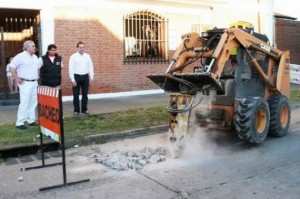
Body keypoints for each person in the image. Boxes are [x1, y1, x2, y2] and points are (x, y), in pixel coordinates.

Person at [10, 40, 40, 130]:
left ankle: (31, 120)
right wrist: (17, 78)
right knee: (24, 102)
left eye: (34, 46)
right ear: (26, 47)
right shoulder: (20, 56)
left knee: (33, 102)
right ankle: (19, 122)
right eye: (32, 46)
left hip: (34, 82)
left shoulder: (35, 57)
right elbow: (12, 67)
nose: (34, 47)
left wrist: (37, 76)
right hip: (25, 83)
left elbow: (38, 67)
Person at [69, 41, 94, 116]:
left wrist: (91, 77)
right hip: (76, 77)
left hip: (85, 77)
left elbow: (90, 67)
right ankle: (76, 111)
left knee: (85, 94)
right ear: (77, 48)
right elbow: (71, 69)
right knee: (76, 95)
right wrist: (72, 80)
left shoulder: (87, 56)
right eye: (80, 47)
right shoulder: (73, 57)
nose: (82, 49)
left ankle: (84, 109)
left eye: (83, 47)